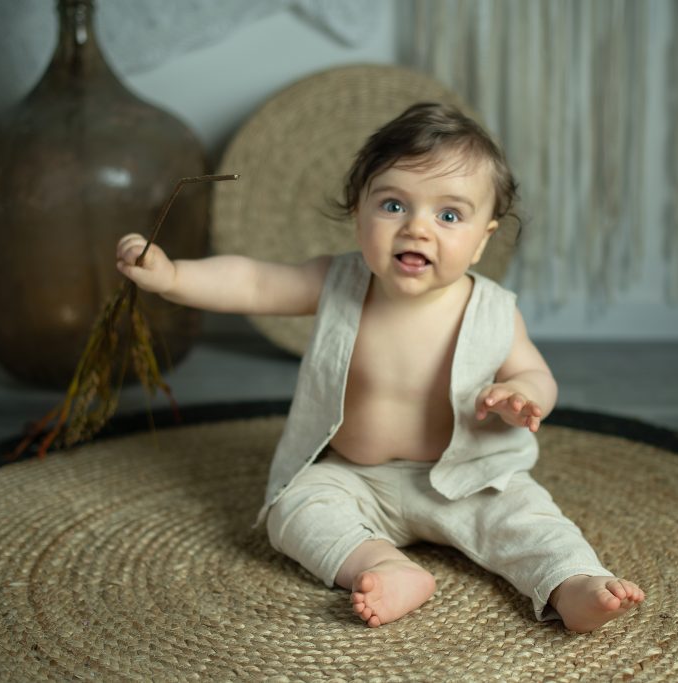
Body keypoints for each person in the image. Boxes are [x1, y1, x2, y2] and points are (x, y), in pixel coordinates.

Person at [116, 102, 644, 632]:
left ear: (484, 238)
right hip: (354, 477)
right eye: (393, 205)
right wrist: (173, 277)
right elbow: (254, 281)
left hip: (465, 480)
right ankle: (382, 564)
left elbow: (537, 375)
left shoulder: (492, 309)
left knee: (526, 518)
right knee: (293, 509)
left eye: (449, 215)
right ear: (357, 212)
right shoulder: (338, 281)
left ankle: (571, 581)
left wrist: (520, 395)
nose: (417, 228)